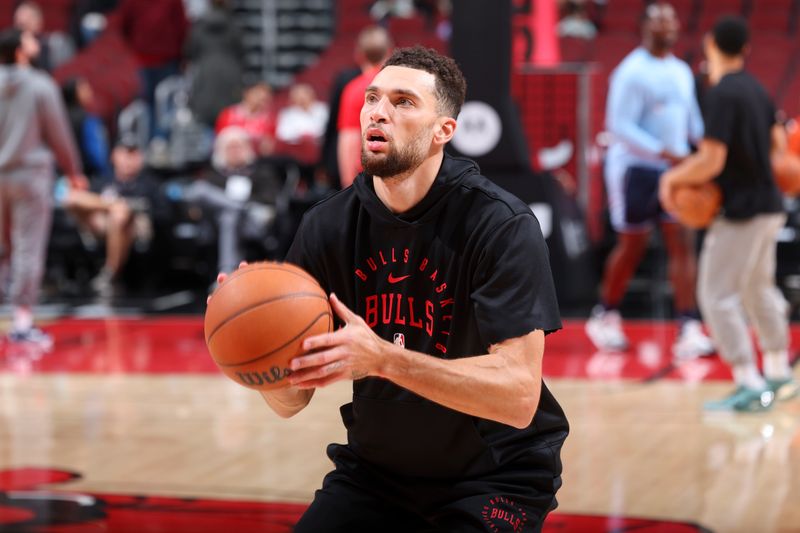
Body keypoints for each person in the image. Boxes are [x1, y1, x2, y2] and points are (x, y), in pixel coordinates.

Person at [216, 46, 568, 531]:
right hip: (376, 475)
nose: (378, 111)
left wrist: (384, 360)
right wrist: (252, 345)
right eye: (372, 98)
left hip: (493, 477)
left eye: (403, 102)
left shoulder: (500, 224)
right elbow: (291, 401)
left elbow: (518, 395)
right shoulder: (328, 226)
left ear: (443, 130)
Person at [660, 15, 798, 411]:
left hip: (741, 209)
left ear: (710, 45)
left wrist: (672, 180)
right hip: (772, 205)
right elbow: (778, 142)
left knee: (716, 295)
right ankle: (778, 371)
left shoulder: (721, 93)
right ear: (746, 50)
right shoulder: (758, 88)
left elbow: (711, 159)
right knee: (759, 288)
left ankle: (748, 380)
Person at [585, 2, 714, 360]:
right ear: (644, 27)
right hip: (636, 170)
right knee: (632, 247)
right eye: (659, 19)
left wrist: (708, 150)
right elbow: (619, 126)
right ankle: (605, 314)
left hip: (674, 173)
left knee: (682, 243)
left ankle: (688, 325)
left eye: (671, 19)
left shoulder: (681, 71)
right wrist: (664, 152)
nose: (667, 25)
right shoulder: (631, 72)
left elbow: (693, 124)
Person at [0, 28, 84, 347]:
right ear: (20, 51)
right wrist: (73, 170)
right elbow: (58, 133)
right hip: (30, 175)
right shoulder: (40, 84)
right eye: (29, 38)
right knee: (27, 247)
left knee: (3, 249)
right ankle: (22, 321)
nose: (37, 42)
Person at [62, 134, 168, 296]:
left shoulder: (150, 184)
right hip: (101, 226)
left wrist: (126, 208)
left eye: (133, 154)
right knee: (74, 198)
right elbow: (72, 199)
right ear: (114, 156)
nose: (128, 159)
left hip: (136, 228)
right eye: (124, 153)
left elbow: (162, 215)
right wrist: (111, 204)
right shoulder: (103, 181)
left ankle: (110, 274)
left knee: (120, 215)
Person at [181, 126, 282, 275]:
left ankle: (225, 276)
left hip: (252, 222)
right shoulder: (214, 175)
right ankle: (229, 275)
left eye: (238, 147)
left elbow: (269, 200)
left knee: (220, 207)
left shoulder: (261, 172)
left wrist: (246, 204)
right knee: (223, 210)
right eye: (230, 148)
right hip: (218, 225)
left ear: (248, 148)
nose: (235, 152)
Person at [337, 26, 392, 188]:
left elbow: (349, 139)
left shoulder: (354, 89)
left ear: (359, 54)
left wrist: (348, 187)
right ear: (389, 51)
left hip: (367, 178)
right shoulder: (402, 87)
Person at [61, 77, 112, 182]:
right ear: (74, 93)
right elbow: (97, 156)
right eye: (84, 89)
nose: (90, 92)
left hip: (63, 177)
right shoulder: (88, 120)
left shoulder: (58, 119)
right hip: (87, 179)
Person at [215, 80, 277, 157]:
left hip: (257, 160)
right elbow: (221, 141)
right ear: (247, 93)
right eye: (257, 93)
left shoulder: (270, 119)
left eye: (266, 95)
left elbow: (268, 146)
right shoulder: (228, 115)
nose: (262, 97)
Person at [13, 1, 76, 72]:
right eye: (19, 23)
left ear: (39, 22)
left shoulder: (54, 44)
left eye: (26, 23)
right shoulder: (9, 46)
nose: (22, 29)